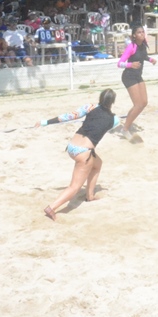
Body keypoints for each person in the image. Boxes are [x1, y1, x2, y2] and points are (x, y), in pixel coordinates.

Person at [37, 89, 121, 220]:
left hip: (71, 147)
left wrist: (45, 122)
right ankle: (51, 208)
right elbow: (104, 127)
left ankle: (90, 196)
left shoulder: (90, 107)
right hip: (83, 153)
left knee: (97, 164)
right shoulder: (114, 119)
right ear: (113, 102)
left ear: (100, 98)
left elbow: (68, 116)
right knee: (74, 187)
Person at [117, 25, 156, 140]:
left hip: (138, 75)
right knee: (138, 104)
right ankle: (125, 129)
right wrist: (130, 64)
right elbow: (119, 63)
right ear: (134, 35)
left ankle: (127, 122)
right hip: (129, 76)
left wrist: (150, 59)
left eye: (143, 32)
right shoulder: (131, 47)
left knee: (144, 102)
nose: (142, 34)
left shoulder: (143, 45)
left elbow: (143, 56)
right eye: (139, 32)